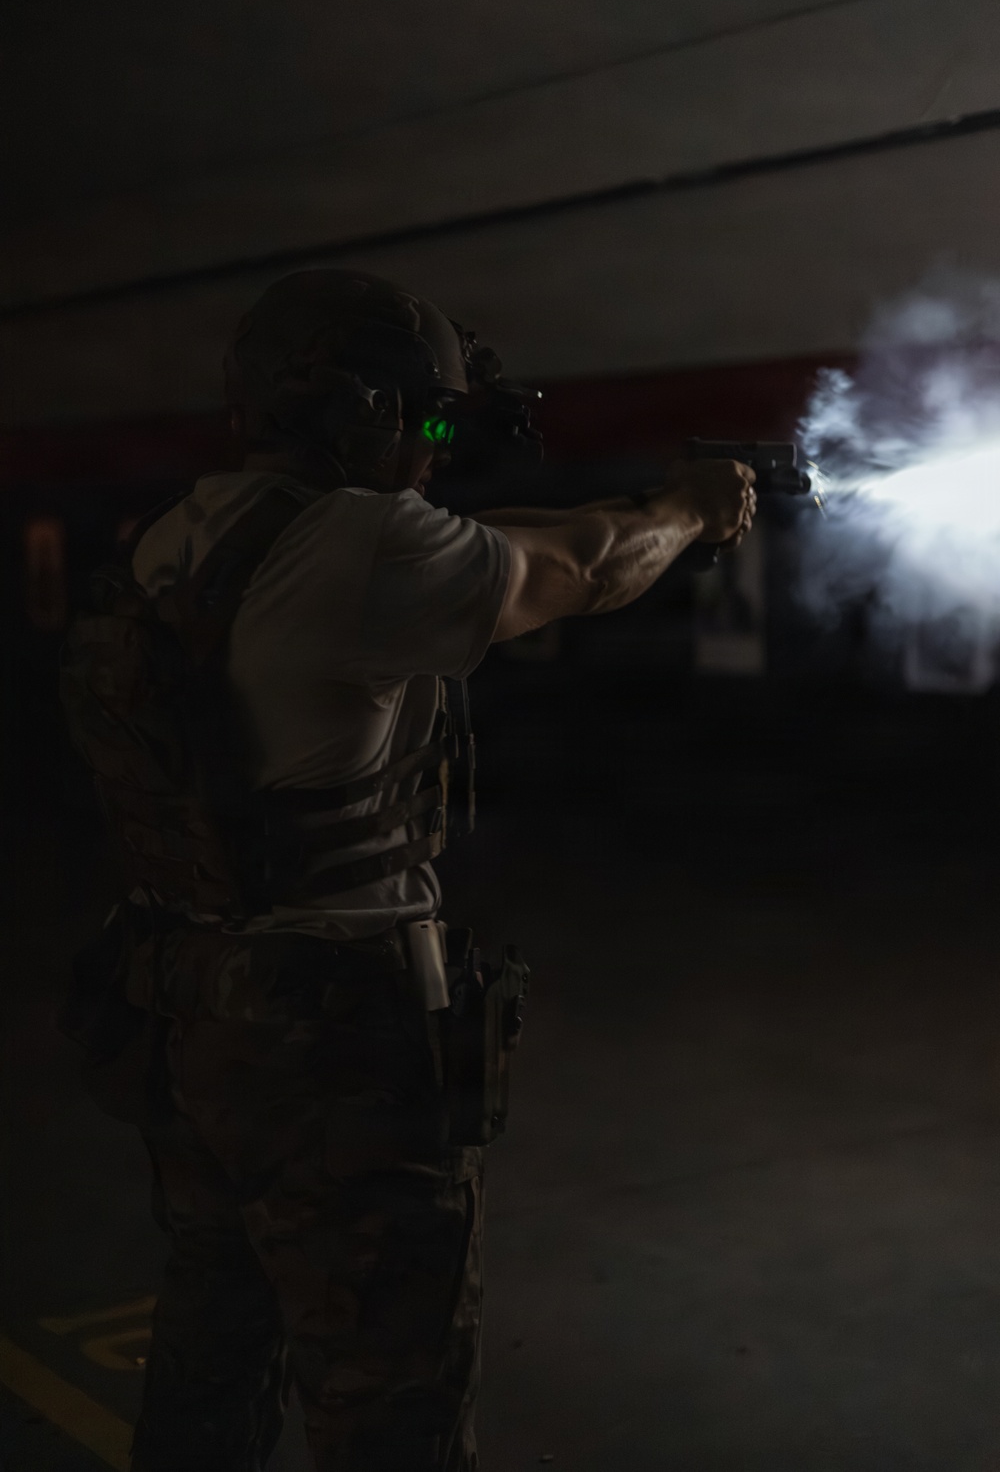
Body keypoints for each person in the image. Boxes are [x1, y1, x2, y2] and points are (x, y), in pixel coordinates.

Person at [59, 269, 755, 1472]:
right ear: (357, 409)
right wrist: (690, 510)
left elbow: (504, 546)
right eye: (425, 420)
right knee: (390, 1388)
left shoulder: (185, 535)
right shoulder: (360, 543)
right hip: (331, 1036)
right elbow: (580, 569)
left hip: (192, 1009)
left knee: (215, 1337)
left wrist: (635, 500)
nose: (437, 450)